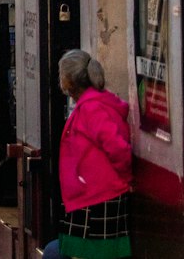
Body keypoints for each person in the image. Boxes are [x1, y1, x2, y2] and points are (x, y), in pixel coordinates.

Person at [41, 50, 132, 259]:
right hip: (91, 198)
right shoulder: (93, 104)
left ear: (68, 80)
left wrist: (127, 179)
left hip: (96, 199)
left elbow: (118, 148)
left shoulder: (92, 108)